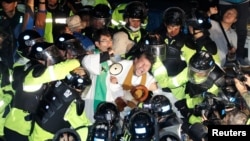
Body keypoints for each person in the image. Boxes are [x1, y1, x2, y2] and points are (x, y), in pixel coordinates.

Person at [3, 29, 83, 141]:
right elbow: (56, 71)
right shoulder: (31, 71)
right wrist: (80, 59)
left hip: (27, 128)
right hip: (18, 128)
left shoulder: (34, 66)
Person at [80, 28, 116, 123]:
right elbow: (92, 64)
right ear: (97, 44)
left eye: (110, 40)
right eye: (104, 41)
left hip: (108, 98)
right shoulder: (89, 57)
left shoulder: (113, 60)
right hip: (93, 98)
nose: (108, 44)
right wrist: (107, 55)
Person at [0, 0, 34, 67]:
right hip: (3, 56)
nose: (5, 4)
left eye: (8, 2)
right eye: (3, 2)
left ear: (15, 3)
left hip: (20, 57)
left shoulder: (23, 16)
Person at [219, 0, 250, 65]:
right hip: (225, 2)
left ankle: (238, 58)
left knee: (241, 30)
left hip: (243, 2)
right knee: (221, 25)